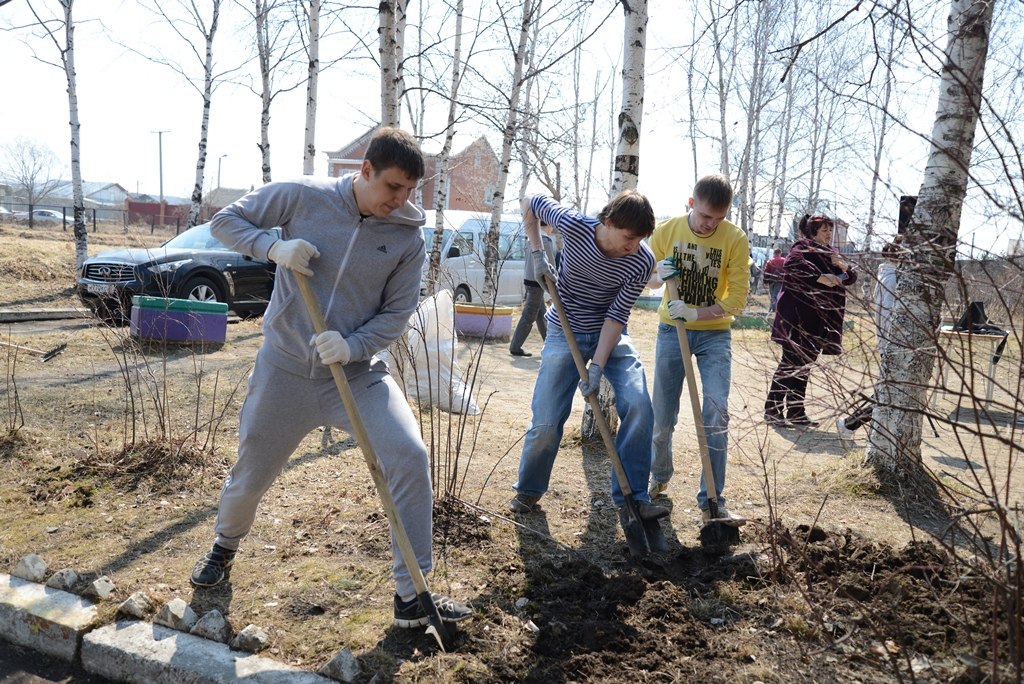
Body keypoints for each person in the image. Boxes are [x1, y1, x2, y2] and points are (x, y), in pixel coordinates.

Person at [191, 127, 472, 630]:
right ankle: (223, 547)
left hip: (358, 374)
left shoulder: (408, 237)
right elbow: (225, 222)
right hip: (286, 371)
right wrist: (272, 248)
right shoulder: (304, 195)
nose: (400, 200)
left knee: (409, 455)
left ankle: (412, 594)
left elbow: (396, 313)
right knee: (251, 474)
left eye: (410, 190)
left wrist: (353, 345)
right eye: (391, 187)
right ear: (364, 170)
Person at [508, 190, 669, 529]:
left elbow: (616, 316)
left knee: (639, 405)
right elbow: (530, 201)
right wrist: (538, 252)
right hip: (562, 331)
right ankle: (528, 489)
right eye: (629, 237)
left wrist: (597, 365)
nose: (634, 245)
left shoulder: (641, 260)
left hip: (609, 336)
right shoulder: (575, 225)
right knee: (548, 419)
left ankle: (634, 497)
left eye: (640, 239)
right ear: (607, 222)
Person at [647, 173, 750, 525]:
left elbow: (737, 299)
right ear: (691, 204)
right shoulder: (667, 231)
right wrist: (658, 273)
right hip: (671, 330)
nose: (711, 225)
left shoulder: (735, 239)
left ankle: (712, 498)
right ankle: (659, 476)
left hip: (714, 335)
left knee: (717, 414)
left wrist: (697, 312)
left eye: (718, 219)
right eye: (706, 216)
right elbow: (646, 277)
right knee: (662, 417)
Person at [764, 213, 857, 427]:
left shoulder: (831, 253)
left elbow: (850, 278)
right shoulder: (802, 248)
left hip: (818, 320)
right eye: (824, 230)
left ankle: (796, 411)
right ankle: (773, 410)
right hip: (796, 318)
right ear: (813, 231)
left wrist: (843, 267)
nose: (829, 234)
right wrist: (820, 277)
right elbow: (794, 266)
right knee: (790, 363)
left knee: (805, 365)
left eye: (830, 230)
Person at [837, 236, 903, 439]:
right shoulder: (891, 278)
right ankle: (850, 424)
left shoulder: (889, 274)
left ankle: (852, 424)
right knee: (886, 392)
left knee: (889, 391)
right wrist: (890, 343)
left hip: (891, 342)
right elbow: (887, 314)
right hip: (892, 343)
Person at [509, 221, 556, 357]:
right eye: (552, 225)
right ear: (547, 225)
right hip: (538, 282)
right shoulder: (545, 240)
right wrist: (554, 284)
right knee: (529, 316)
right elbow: (550, 265)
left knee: (541, 315)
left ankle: (550, 344)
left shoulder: (531, 237)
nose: (552, 228)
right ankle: (515, 346)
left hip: (529, 279)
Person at [762, 247, 786, 312]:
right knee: (776, 295)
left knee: (773, 295)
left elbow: (766, 271)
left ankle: (772, 308)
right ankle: (774, 309)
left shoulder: (770, 261)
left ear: (774, 253)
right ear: (780, 253)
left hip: (771, 281)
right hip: (780, 280)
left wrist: (765, 281)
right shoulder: (784, 260)